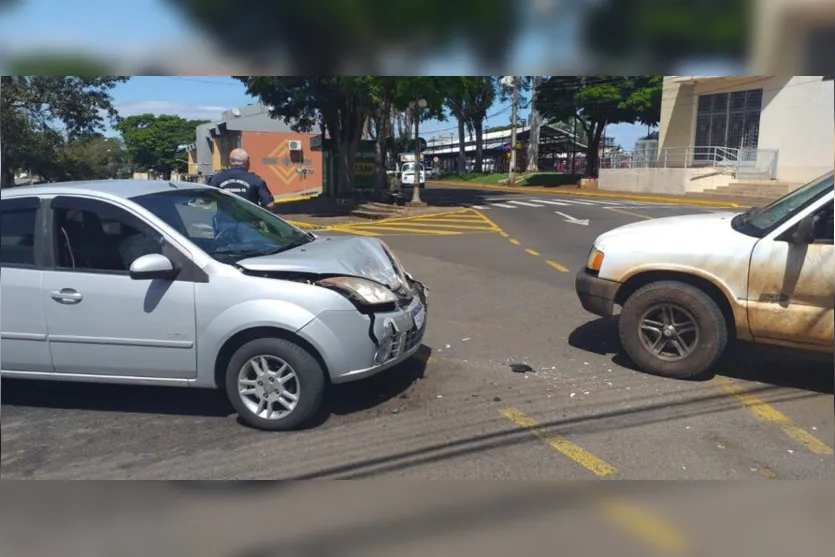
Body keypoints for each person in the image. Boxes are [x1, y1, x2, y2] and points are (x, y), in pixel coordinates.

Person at [208, 148, 277, 210]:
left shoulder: (216, 179)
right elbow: (270, 204)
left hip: (223, 222)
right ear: (245, 161)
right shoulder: (256, 180)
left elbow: (206, 199)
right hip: (248, 222)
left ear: (230, 161)